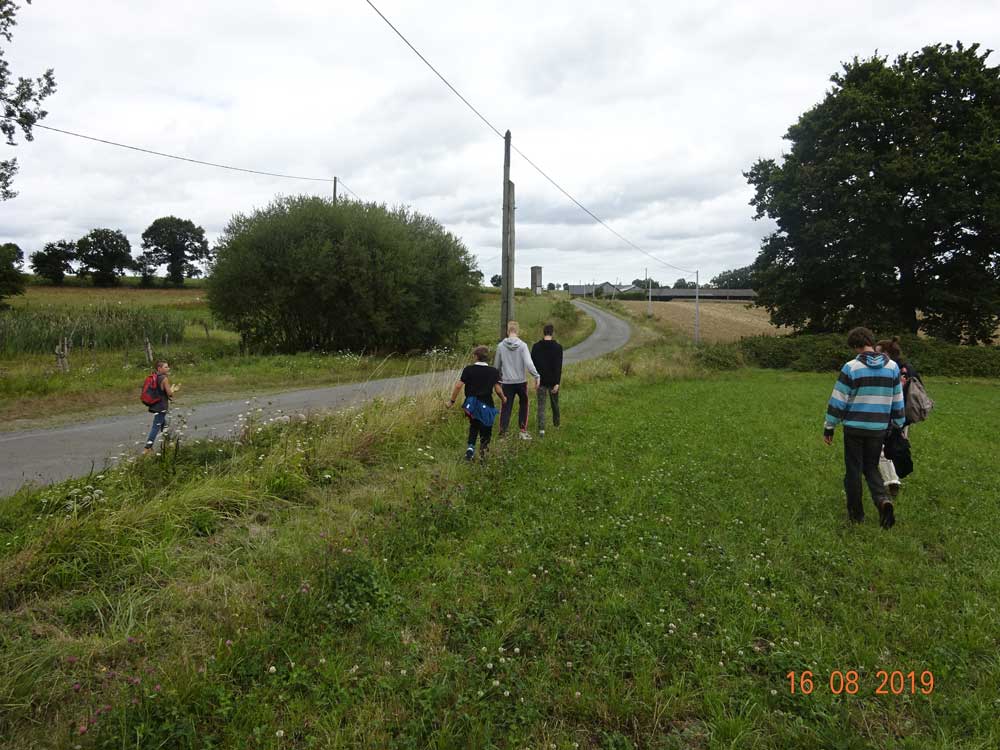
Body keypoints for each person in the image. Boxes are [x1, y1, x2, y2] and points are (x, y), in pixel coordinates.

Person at [823, 327, 905, 528]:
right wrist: (898, 423)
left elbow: (838, 399)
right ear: (871, 341)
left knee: (853, 470)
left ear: (855, 346)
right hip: (878, 428)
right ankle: (882, 501)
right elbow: (898, 399)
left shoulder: (851, 367)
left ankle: (856, 515)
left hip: (854, 428)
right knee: (871, 467)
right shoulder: (892, 367)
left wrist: (829, 426)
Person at [450, 346, 506, 461]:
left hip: (471, 404)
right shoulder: (493, 371)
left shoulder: (468, 369)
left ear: (476, 356)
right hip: (487, 404)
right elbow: (498, 390)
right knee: (486, 428)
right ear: (487, 357)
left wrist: (451, 401)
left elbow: (458, 386)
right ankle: (483, 453)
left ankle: (470, 448)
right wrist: (503, 398)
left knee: (474, 425)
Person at [494, 320, 541, 439]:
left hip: (506, 382)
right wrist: (536, 375)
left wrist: (496, 381)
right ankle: (522, 430)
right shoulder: (523, 345)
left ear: (507, 331)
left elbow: (496, 366)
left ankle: (503, 433)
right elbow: (529, 363)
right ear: (517, 331)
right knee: (524, 404)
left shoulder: (500, 346)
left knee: (506, 406)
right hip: (521, 382)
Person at [531, 323, 563, 437]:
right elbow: (558, 366)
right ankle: (556, 425)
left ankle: (541, 430)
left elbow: (533, 365)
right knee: (555, 404)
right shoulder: (558, 347)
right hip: (553, 381)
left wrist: (536, 378)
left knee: (541, 406)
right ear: (552, 333)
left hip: (541, 381)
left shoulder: (536, 347)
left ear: (543, 332)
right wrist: (557, 382)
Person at [143, 359, 179, 455]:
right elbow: (169, 394)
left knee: (164, 424)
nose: (168, 368)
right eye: (166, 367)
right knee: (156, 426)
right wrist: (173, 390)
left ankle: (168, 442)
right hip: (161, 406)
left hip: (155, 404)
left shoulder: (154, 377)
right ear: (159, 368)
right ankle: (147, 448)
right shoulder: (164, 378)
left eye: (168, 366)